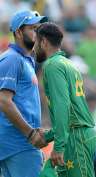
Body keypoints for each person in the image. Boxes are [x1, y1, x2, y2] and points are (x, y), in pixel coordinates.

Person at [33, 22, 96, 177]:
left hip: (76, 136)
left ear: (44, 42)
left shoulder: (52, 65)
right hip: (78, 134)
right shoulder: (69, 63)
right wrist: (49, 136)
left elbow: (63, 106)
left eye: (36, 42)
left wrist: (59, 147)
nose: (34, 48)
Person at [0, 10, 48, 177]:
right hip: (19, 145)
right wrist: (30, 134)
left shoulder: (25, 60)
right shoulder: (12, 59)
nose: (37, 33)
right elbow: (4, 101)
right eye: (32, 28)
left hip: (21, 145)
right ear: (18, 32)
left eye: (38, 28)